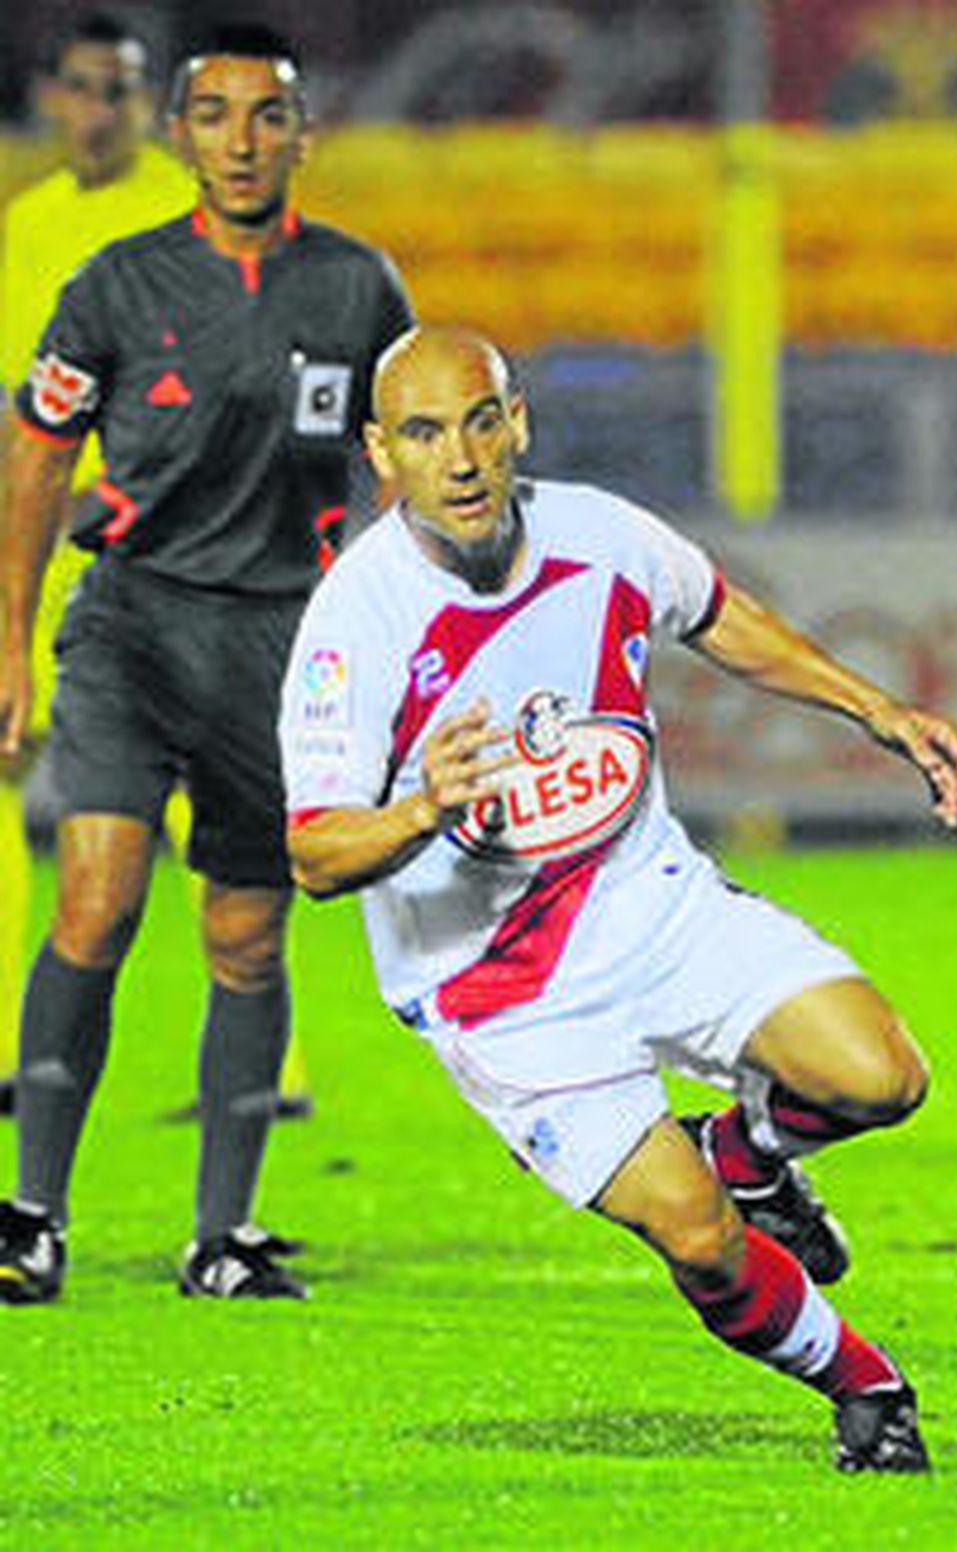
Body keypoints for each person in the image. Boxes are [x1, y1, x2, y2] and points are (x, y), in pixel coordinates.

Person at [277, 326, 957, 1471]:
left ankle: (748, 1153)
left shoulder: (597, 533)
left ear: (519, 424)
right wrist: (417, 813)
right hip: (499, 994)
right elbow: (314, 853)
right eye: (421, 433)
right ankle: (869, 1388)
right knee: (699, 1239)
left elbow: (718, 615)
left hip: (645, 900)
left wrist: (878, 710)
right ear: (377, 455)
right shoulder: (358, 622)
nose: (458, 458)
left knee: (880, 1073)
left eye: (479, 421)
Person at [0, 24, 413, 1304]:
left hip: (284, 648)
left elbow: (406, 462)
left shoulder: (358, 290)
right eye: (218, 116)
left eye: (269, 116)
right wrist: (9, 640)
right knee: (98, 897)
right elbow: (39, 458)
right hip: (132, 626)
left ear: (303, 133)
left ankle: (220, 1237)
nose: (243, 141)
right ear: (181, 135)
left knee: (244, 933)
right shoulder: (116, 283)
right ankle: (29, 1215)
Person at [0, 13, 192, 1117]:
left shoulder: (178, 207)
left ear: (143, 102)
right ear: (51, 96)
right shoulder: (30, 222)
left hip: (146, 539)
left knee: (191, 796)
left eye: (118, 90)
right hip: (44, 535)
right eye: (81, 88)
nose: (98, 110)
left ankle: (268, 1069)